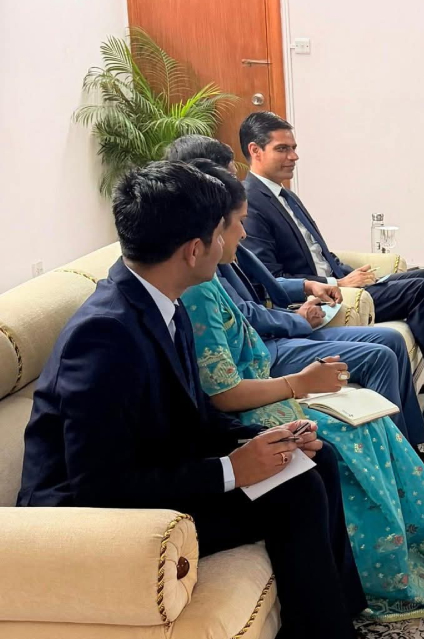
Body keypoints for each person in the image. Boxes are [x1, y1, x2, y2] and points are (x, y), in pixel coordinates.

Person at [18, 161, 366, 639]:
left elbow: (193, 415)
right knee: (296, 490)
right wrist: (231, 470)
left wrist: (270, 438)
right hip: (95, 522)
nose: (230, 242)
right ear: (194, 249)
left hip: (151, 471)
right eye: (221, 232)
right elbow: (100, 487)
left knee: (313, 460)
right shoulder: (103, 337)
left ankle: (338, 618)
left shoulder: (164, 300)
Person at [181, 166, 424, 620]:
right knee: (349, 436)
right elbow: (223, 391)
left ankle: (410, 540)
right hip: (254, 403)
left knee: (374, 422)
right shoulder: (196, 290)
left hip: (271, 382)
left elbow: (266, 296)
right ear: (212, 232)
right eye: (238, 223)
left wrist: (322, 291)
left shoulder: (213, 273)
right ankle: (377, 574)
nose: (244, 231)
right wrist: (301, 381)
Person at [170, 139, 424, 489]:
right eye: (229, 176)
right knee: (384, 348)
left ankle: (413, 452)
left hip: (280, 325)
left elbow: (265, 283)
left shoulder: (250, 217)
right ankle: (405, 468)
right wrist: (298, 320)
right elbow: (244, 316)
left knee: (394, 335)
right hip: (267, 344)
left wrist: (311, 286)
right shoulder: (203, 256)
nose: (235, 184)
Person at [237, 112, 424, 427]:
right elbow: (271, 279)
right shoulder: (251, 203)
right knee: (421, 288)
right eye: (283, 149)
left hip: (342, 282)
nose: (294, 156)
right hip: (326, 298)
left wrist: (353, 273)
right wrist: (337, 281)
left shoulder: (283, 194)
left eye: (294, 148)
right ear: (255, 150)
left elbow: (320, 253)